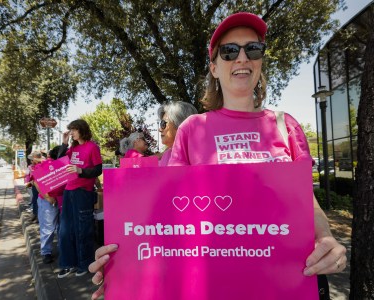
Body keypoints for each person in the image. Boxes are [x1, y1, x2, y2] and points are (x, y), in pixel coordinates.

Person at [89, 12, 346, 299]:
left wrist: (326, 238)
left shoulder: (286, 125)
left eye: (253, 49)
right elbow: (170, 214)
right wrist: (123, 265)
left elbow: (305, 201)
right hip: (215, 283)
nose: (242, 58)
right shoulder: (192, 129)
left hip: (286, 279)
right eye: (229, 51)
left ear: (260, 60)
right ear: (214, 67)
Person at [57, 119, 103, 278]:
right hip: (68, 191)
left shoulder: (92, 147)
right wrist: (63, 143)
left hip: (83, 192)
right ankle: (68, 263)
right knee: (65, 230)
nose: (72, 133)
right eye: (71, 130)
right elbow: (59, 162)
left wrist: (80, 170)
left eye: (74, 130)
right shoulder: (72, 148)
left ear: (82, 130)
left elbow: (98, 169)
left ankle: (84, 264)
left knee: (83, 230)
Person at [157, 101, 198, 166]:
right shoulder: (167, 155)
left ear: (180, 123)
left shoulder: (202, 152)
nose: (160, 129)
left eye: (163, 124)